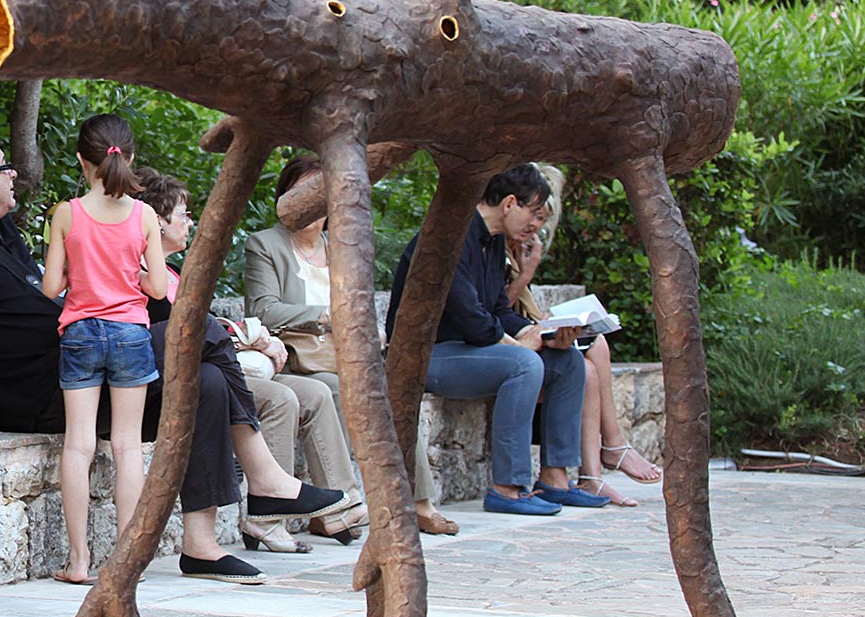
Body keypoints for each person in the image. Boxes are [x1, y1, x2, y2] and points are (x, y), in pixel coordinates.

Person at [0, 132, 344, 587]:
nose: (14, 173)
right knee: (200, 331)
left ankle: (201, 545)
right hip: (35, 390)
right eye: (4, 167)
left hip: (88, 366)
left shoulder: (5, 234)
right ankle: (264, 479)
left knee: (206, 380)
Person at [136, 170, 362, 552]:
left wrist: (250, 339)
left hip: (228, 364)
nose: (190, 222)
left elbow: (205, 329)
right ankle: (268, 514)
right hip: (184, 375)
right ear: (156, 220)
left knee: (315, 392)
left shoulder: (172, 273)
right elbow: (183, 335)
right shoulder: (147, 278)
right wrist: (251, 339)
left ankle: (344, 506)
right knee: (279, 398)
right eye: (183, 213)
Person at [243, 155, 458, 536]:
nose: (309, 204)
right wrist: (327, 316)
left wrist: (370, 331)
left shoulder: (343, 247)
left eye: (318, 194)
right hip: (300, 360)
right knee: (338, 390)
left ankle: (419, 503)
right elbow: (263, 310)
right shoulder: (266, 245)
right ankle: (338, 507)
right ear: (285, 198)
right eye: (300, 193)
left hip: (349, 358)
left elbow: (361, 307)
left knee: (396, 395)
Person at [386, 164, 603, 516]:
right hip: (425, 356)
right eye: (534, 212)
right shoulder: (449, 236)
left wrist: (541, 334)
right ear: (510, 203)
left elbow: (498, 309)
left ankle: (554, 479)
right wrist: (520, 346)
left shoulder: (493, 241)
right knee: (523, 363)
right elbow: (471, 318)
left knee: (568, 361)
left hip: (470, 351)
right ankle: (507, 488)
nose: (536, 225)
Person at [40, 114, 165, 583]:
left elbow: (51, 286)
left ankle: (78, 562)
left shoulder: (67, 213)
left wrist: (81, 272)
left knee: (79, 445)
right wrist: (128, 273)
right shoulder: (144, 215)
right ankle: (125, 563)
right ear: (129, 157)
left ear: (81, 160)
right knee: (127, 446)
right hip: (131, 333)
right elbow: (158, 288)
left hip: (81, 333)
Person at [504, 165, 662, 508]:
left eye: (543, 219)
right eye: (535, 215)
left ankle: (596, 472)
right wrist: (526, 276)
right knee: (586, 366)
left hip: (523, 337)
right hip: (508, 347)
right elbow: (495, 309)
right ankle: (608, 454)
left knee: (593, 351)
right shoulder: (494, 244)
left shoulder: (517, 246)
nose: (536, 226)